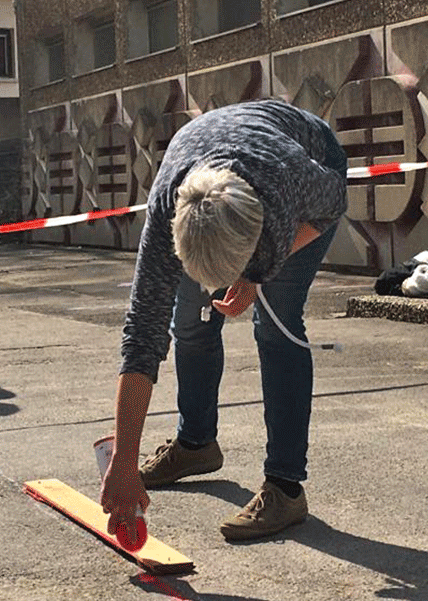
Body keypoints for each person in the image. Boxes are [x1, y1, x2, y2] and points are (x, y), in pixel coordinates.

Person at [100, 99, 347, 543]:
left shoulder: (295, 181)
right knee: (190, 321)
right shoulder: (167, 211)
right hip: (212, 159)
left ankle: (286, 488)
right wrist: (123, 458)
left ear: (262, 234)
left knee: (277, 325)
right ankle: (196, 445)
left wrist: (258, 276)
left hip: (306, 158)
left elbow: (334, 204)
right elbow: (142, 335)